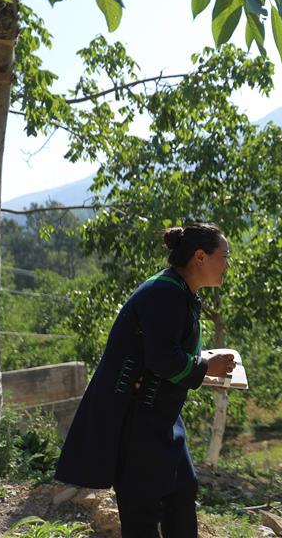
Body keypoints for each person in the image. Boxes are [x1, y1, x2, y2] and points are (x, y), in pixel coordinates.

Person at [55, 222, 236, 537]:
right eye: (225, 256)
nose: (228, 265)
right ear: (200, 257)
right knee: (142, 510)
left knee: (181, 492)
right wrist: (207, 367)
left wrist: (205, 364)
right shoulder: (165, 293)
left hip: (161, 417)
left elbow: (166, 350)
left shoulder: (179, 291)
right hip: (138, 421)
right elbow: (162, 358)